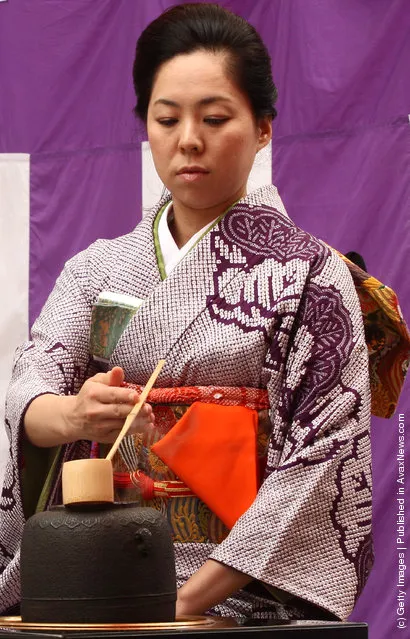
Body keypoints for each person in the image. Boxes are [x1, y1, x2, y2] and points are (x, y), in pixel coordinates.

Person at [1, 1, 402, 623]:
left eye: (215, 118)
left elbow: (320, 457)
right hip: (95, 571)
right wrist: (71, 413)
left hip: (236, 589)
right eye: (167, 119)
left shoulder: (310, 274)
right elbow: (30, 387)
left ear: (263, 127)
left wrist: (186, 601)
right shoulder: (99, 269)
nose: (189, 139)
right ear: (147, 126)